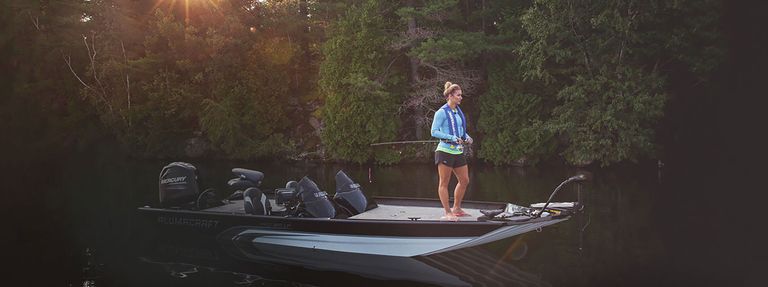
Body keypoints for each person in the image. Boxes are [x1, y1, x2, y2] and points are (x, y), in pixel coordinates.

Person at [431, 81, 473, 221]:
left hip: (457, 151)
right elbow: (434, 132)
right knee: (444, 183)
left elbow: (461, 130)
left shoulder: (457, 112)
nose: (461, 97)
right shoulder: (441, 112)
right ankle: (448, 212)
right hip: (444, 151)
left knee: (464, 180)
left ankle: (457, 208)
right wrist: (451, 137)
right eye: (458, 95)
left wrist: (467, 137)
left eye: (461, 95)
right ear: (450, 96)